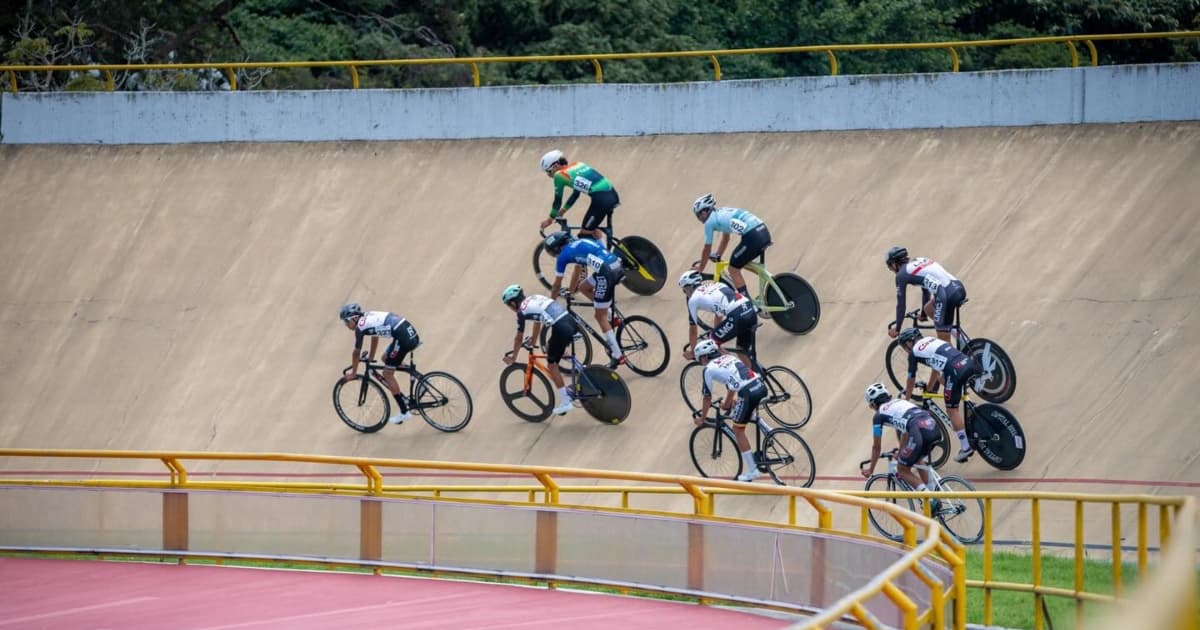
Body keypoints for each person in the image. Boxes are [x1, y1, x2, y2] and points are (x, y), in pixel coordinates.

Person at [886, 246, 967, 392]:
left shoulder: (901, 275)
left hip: (945, 296)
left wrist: (897, 328)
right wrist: (923, 314)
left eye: (890, 267)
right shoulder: (919, 261)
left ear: (894, 264)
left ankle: (950, 372)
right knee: (929, 308)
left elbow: (901, 305)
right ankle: (962, 339)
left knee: (942, 344)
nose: (891, 270)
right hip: (958, 287)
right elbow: (925, 290)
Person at [895, 327, 979, 463]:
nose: (906, 349)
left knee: (951, 410)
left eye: (905, 346)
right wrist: (929, 389)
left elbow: (911, 379)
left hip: (955, 371)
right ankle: (970, 409)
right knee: (943, 380)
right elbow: (936, 369)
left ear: (910, 342)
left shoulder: (914, 353)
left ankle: (966, 447)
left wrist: (907, 399)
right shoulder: (930, 340)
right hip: (967, 362)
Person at [690, 339, 768, 482]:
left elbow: (707, 397)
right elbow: (732, 385)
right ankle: (768, 431)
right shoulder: (728, 357)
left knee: (737, 429)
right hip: (760, 385)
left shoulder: (708, 369)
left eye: (700, 359)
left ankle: (753, 471)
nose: (701, 363)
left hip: (748, 392)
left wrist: (703, 418)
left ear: (704, 357)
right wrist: (726, 404)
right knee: (740, 409)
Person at [544, 231, 625, 368]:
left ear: (556, 249)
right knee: (583, 287)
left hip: (606, 273)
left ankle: (617, 356)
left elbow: (557, 285)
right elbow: (577, 270)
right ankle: (613, 317)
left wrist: (550, 303)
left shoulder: (563, 256)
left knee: (599, 316)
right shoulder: (578, 243)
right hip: (616, 264)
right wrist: (570, 292)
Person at [338, 302, 421, 425]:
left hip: (403, 337)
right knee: (385, 358)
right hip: (408, 332)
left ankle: (404, 412)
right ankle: (421, 379)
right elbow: (375, 336)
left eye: (346, 322)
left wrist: (354, 373)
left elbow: (356, 352)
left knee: (387, 374)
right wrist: (371, 358)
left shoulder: (360, 327)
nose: (346, 325)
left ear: (354, 318)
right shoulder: (367, 316)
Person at [500, 284, 576, 416]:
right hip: (569, 321)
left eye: (508, 305)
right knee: (550, 347)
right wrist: (533, 341)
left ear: (512, 303)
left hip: (561, 328)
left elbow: (519, 337)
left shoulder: (521, 312)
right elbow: (537, 321)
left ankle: (566, 402)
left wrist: (514, 357)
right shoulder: (534, 297)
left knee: (552, 365)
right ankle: (580, 367)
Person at [859, 383, 944, 500]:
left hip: (918, 431)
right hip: (933, 427)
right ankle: (933, 496)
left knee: (902, 469)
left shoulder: (878, 416)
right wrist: (900, 451)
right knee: (917, 459)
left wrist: (871, 469)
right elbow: (905, 432)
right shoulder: (899, 402)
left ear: (873, 404)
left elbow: (876, 447)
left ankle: (929, 499)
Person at [689, 194, 771, 301]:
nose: (699, 219)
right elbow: (725, 238)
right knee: (741, 262)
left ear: (704, 212)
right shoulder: (721, 213)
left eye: (699, 215)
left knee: (733, 268)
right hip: (762, 231)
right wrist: (718, 254)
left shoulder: (709, 222)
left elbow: (707, 249)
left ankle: (747, 303)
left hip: (752, 236)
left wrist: (700, 268)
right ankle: (771, 279)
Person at [678, 270, 759, 365]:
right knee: (741, 350)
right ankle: (751, 373)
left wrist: (693, 352)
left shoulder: (693, 300)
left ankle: (732, 367)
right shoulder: (716, 284)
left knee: (710, 345)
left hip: (737, 316)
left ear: (689, 287)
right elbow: (719, 315)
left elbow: (693, 330)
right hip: (749, 310)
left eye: (684, 290)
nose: (685, 293)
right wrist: (716, 331)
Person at [538, 150, 620, 243]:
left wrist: (549, 220)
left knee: (584, 235)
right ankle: (604, 249)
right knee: (592, 229)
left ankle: (604, 252)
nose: (549, 175)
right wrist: (562, 211)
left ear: (555, 165)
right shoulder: (578, 164)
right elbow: (575, 194)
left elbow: (557, 201)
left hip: (602, 200)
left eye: (548, 171)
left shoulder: (559, 175)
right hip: (612, 194)